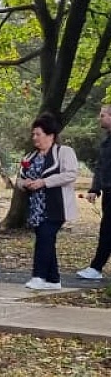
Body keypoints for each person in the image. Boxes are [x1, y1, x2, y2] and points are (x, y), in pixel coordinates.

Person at [20, 112, 78, 290]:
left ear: (50, 135)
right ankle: (53, 280)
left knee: (44, 238)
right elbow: (19, 180)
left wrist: (44, 182)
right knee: (46, 239)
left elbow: (71, 174)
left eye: (38, 134)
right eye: (33, 134)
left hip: (56, 207)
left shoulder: (64, 152)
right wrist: (25, 184)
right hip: (36, 207)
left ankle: (39, 276)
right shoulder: (30, 157)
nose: (34, 137)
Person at [77, 104, 111, 280]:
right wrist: (95, 189)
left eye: (103, 115)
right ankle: (96, 268)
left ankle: (96, 267)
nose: (100, 118)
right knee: (107, 230)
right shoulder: (106, 142)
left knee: (107, 230)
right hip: (108, 193)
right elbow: (100, 167)